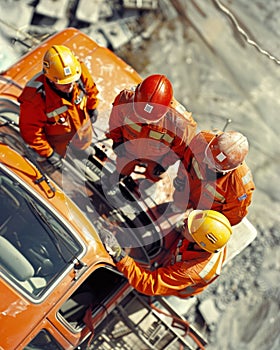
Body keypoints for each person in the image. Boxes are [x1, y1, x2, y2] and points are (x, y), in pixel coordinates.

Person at [100, 209, 232, 298]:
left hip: (178, 287)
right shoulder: (214, 237)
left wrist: (119, 255)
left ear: (198, 242)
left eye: (190, 227)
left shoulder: (189, 271)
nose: (185, 221)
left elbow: (148, 284)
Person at [18, 44, 99, 172]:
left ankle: (81, 149)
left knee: (84, 147)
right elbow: (31, 132)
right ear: (50, 79)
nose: (71, 85)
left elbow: (91, 89)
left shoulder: (76, 70)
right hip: (58, 144)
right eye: (64, 83)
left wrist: (92, 107)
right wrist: (49, 154)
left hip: (82, 133)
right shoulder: (34, 99)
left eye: (72, 80)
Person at [106, 74, 197, 184]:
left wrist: (164, 163)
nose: (144, 121)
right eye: (140, 116)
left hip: (157, 159)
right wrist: (117, 140)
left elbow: (181, 150)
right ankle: (120, 175)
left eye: (150, 120)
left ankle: (147, 182)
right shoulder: (125, 100)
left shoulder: (181, 125)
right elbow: (115, 121)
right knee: (122, 166)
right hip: (129, 149)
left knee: (154, 174)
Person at [171, 130, 255, 226]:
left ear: (228, 170)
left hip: (206, 212)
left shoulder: (240, 188)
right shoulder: (201, 140)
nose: (207, 164)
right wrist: (180, 177)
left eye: (215, 167)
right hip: (187, 188)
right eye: (208, 158)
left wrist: (212, 224)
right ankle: (177, 208)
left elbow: (233, 216)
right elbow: (186, 160)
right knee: (179, 200)